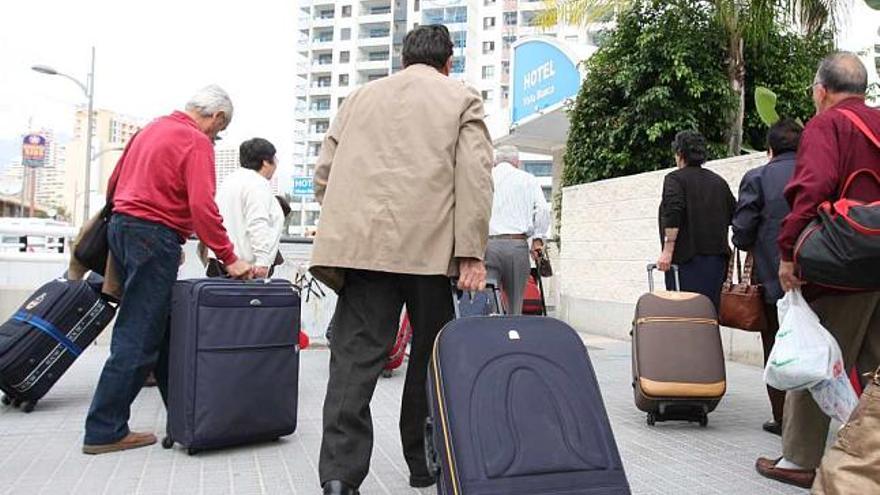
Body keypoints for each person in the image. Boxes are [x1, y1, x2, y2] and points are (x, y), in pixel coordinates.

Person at [308, 25, 493, 495]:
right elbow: (475, 177)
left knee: (354, 361)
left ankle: (339, 477)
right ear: (448, 62)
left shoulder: (359, 97)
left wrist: (351, 225)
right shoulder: (461, 98)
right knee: (430, 359)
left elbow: (324, 176)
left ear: (402, 58)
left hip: (365, 251)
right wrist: (470, 252)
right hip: (429, 253)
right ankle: (423, 461)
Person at [82, 85, 253, 455]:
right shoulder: (195, 141)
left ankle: (187, 418)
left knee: (161, 332)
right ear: (216, 117)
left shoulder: (150, 129)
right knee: (139, 333)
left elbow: (114, 185)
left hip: (123, 228)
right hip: (152, 234)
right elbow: (202, 205)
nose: (215, 135)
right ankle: (103, 428)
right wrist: (229, 256)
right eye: (218, 130)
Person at [755, 52, 880, 490]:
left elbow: (810, 191)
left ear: (821, 90)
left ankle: (799, 459)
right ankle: (870, 456)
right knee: (873, 370)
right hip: (879, 263)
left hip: (840, 267)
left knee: (815, 359)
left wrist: (788, 252)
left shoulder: (827, 124)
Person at [732, 119, 803, 436]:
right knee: (820, 344)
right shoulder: (816, 173)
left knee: (775, 344)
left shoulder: (757, 177)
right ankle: (816, 420)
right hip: (821, 278)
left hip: (773, 279)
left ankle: (782, 417)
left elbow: (743, 232)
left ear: (769, 149)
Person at [656, 130, 736, 309]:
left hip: (685, 262)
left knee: (684, 313)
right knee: (710, 313)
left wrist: (667, 251)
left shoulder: (674, 179)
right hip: (717, 264)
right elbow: (735, 214)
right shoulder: (719, 182)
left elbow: (673, 212)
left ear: (680, 154)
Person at [485, 145, 551, 315]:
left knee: (489, 299)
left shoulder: (485, 177)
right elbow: (543, 209)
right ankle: (513, 334)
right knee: (516, 303)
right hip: (517, 245)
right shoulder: (528, 179)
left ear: (495, 162)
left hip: (488, 245)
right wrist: (538, 238)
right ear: (517, 162)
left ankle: (490, 335)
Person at [207, 138, 284, 279]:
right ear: (266, 162)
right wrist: (263, 262)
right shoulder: (258, 184)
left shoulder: (228, 182)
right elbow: (258, 223)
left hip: (219, 262)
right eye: (275, 159)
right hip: (245, 270)